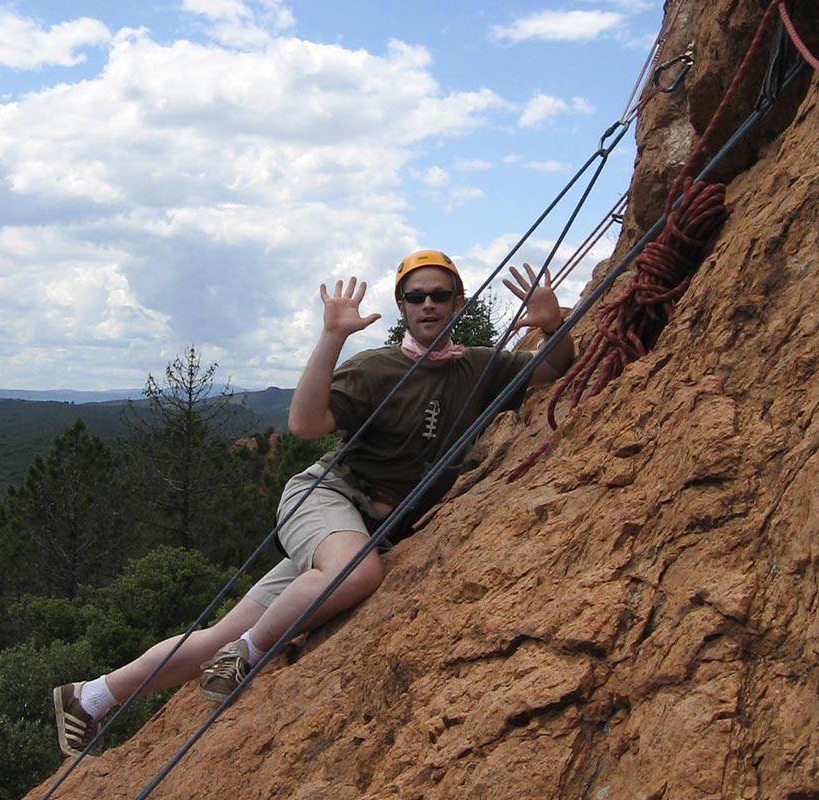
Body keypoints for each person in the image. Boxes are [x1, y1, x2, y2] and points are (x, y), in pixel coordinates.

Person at [52, 249, 575, 757]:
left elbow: (552, 370)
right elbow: (305, 425)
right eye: (415, 297)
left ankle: (90, 696)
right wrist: (332, 337)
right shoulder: (378, 368)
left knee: (217, 633)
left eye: (440, 295)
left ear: (459, 303)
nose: (428, 305)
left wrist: (553, 327)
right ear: (402, 308)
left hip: (360, 523)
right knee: (356, 572)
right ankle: (249, 655)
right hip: (326, 495)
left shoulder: (479, 369)